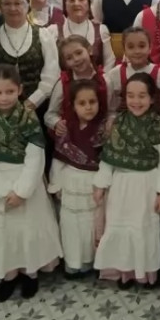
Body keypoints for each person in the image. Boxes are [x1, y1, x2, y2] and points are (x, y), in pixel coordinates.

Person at [0, 64, 62, 301]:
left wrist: (22, 190)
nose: (4, 98)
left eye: (10, 92)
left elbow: (35, 155)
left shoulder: (29, 118)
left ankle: (30, 274)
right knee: (3, 234)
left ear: (20, 90)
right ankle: (8, 277)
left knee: (27, 230)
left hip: (26, 184)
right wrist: (3, 192)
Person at [93, 72, 160, 287]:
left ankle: (143, 273)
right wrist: (101, 184)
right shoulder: (118, 122)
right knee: (120, 226)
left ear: (152, 98)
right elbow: (109, 156)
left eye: (142, 96)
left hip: (146, 184)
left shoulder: (156, 124)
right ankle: (124, 272)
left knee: (142, 227)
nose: (136, 101)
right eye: (131, 96)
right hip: (121, 185)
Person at [49, 79, 107, 277]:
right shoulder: (67, 128)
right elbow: (58, 159)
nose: (88, 107)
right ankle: (73, 263)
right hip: (70, 183)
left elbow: (108, 162)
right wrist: (56, 186)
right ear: (73, 105)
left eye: (92, 102)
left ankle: (89, 262)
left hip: (93, 184)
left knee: (90, 225)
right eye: (82, 103)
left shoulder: (104, 129)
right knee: (71, 225)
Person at [0, 0, 60, 112]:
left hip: (37, 107)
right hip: (0, 108)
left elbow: (52, 73)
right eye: (7, 4)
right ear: (0, 8)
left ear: (28, 6)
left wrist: (33, 101)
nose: (13, 8)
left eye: (18, 3)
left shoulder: (44, 35)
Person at [45, 36, 109, 139]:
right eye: (69, 58)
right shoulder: (63, 83)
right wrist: (57, 123)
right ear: (65, 63)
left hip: (99, 138)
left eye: (79, 53)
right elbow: (50, 114)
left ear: (89, 50)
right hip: (71, 139)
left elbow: (111, 111)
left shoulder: (105, 80)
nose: (76, 59)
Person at [104, 26, 160, 116]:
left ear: (150, 47)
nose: (137, 51)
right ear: (124, 49)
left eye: (141, 46)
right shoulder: (115, 74)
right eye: (131, 47)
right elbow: (111, 107)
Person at [51, 0, 115, 71]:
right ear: (65, 5)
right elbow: (52, 64)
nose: (76, 3)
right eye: (71, 0)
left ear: (88, 4)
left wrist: (102, 81)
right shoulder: (54, 30)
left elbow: (109, 61)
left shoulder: (101, 29)